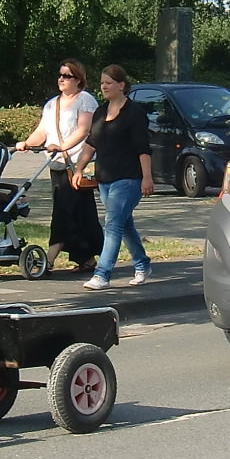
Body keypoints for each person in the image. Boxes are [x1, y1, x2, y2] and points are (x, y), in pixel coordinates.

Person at [18, 59, 101, 273]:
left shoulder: (85, 100)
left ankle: (49, 258)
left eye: (67, 76)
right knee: (79, 212)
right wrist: (26, 143)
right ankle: (87, 258)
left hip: (77, 165)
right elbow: (42, 132)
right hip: (56, 165)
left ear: (78, 79)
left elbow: (83, 130)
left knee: (64, 212)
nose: (61, 79)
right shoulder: (52, 104)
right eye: (60, 75)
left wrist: (62, 147)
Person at [83, 65, 152, 291]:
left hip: (129, 178)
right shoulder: (100, 112)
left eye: (109, 83)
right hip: (105, 178)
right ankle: (142, 264)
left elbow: (143, 148)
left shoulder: (134, 113)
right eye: (102, 83)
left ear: (121, 85)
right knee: (124, 224)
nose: (104, 87)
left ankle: (102, 274)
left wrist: (147, 177)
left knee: (112, 225)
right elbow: (91, 143)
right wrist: (78, 168)